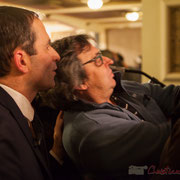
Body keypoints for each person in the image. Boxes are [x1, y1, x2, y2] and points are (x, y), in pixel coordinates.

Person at [50, 34, 180, 180]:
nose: (109, 60)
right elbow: (171, 139)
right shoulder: (92, 131)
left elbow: (174, 95)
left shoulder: (120, 88)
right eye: (97, 59)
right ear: (79, 82)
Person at [0, 6, 64, 180]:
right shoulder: (3, 128)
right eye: (47, 46)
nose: (57, 55)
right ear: (22, 60)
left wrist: (56, 153)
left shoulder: (19, 112)